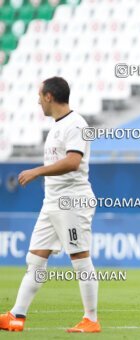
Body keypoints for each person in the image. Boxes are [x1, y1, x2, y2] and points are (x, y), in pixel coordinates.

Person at [0, 77, 100, 333]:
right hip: (52, 202)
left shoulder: (76, 124)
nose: (36, 101)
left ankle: (91, 319)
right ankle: (16, 315)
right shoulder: (57, 126)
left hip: (72, 201)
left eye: (39, 95)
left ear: (49, 96)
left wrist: (37, 172)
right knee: (35, 259)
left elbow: (72, 162)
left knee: (79, 257)